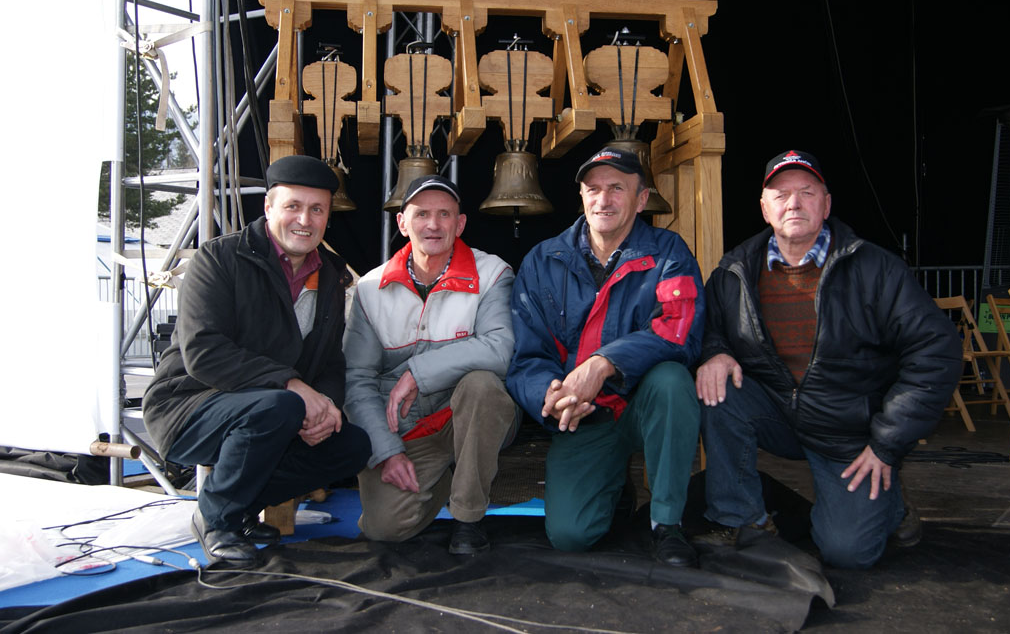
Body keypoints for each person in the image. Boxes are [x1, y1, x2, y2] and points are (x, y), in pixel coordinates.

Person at [696, 149, 962, 569]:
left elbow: (936, 351)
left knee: (847, 552)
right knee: (717, 390)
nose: (794, 204)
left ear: (826, 204)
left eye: (807, 192)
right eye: (781, 195)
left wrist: (887, 443)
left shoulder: (876, 269)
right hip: (780, 412)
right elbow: (709, 326)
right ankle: (744, 521)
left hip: (849, 432)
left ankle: (892, 507)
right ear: (764, 209)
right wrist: (716, 352)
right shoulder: (734, 272)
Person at [143, 154, 371, 568]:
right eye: (293, 206)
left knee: (352, 446)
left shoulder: (332, 276)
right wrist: (292, 385)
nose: (304, 220)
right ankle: (216, 519)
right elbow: (203, 352)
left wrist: (326, 406)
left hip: (273, 414)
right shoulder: (218, 259)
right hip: (187, 407)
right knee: (279, 404)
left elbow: (330, 361)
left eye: (317, 209)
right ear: (268, 207)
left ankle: (241, 507)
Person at [506, 147, 705, 567]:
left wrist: (602, 364)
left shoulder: (669, 252)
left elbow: (679, 331)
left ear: (642, 198)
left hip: (645, 405)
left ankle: (667, 523)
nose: (604, 199)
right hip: (585, 416)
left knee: (672, 381)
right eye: (593, 189)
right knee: (570, 536)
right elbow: (527, 355)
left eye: (617, 188)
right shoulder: (542, 261)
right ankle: (615, 489)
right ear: (581, 196)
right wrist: (550, 394)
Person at [343, 175, 520, 555]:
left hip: (467, 418)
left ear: (461, 224)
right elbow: (357, 380)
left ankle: (468, 518)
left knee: (482, 384)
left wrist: (417, 373)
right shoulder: (369, 289)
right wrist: (386, 451)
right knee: (384, 529)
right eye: (422, 214)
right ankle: (445, 476)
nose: (433, 225)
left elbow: (502, 349)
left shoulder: (493, 273)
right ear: (403, 223)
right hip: (410, 430)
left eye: (445, 214)